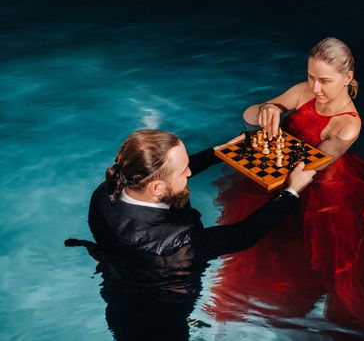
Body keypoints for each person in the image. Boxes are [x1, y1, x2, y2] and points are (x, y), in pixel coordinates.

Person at [206, 38, 364, 339]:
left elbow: (316, 162)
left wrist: (276, 144)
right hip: (284, 172)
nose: (316, 88)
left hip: (324, 187)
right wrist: (266, 109)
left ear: (347, 78)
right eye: (311, 77)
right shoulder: (305, 91)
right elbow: (249, 114)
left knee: (335, 269)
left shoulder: (348, 124)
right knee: (262, 249)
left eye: (325, 81)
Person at [66, 128, 315, 340]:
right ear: (156, 188)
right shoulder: (177, 243)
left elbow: (166, 176)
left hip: (118, 296)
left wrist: (218, 153)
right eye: (184, 170)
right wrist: (291, 191)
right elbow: (244, 234)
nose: (188, 174)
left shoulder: (106, 191)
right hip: (162, 321)